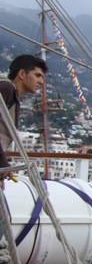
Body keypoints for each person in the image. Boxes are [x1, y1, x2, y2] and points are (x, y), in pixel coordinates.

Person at [0, 54, 47, 188]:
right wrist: (3, 163)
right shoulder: (6, 89)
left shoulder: (13, 97)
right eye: (37, 75)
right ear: (22, 74)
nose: (42, 82)